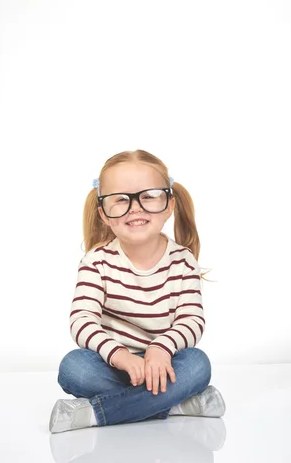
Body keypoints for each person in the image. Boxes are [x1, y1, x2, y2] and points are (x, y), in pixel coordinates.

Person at [49, 149, 226, 433]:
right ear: (104, 214)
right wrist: (120, 355)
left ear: (169, 204)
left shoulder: (183, 261)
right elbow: (81, 321)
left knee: (197, 365)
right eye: (120, 199)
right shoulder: (96, 262)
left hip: (168, 365)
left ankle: (97, 414)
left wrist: (161, 347)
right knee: (74, 368)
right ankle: (177, 405)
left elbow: (191, 321)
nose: (135, 208)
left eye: (149, 196)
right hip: (114, 367)